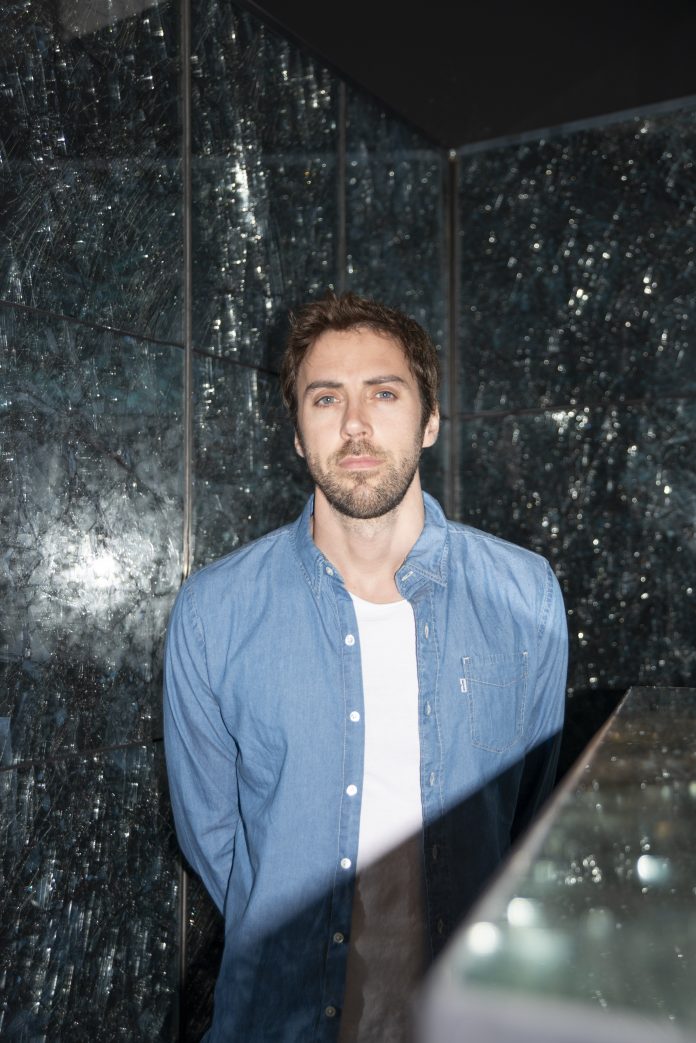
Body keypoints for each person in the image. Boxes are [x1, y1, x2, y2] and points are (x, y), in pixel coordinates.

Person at [163, 291, 568, 1042]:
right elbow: (213, 837)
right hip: (279, 1021)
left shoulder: (525, 596)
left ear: (430, 419)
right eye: (326, 398)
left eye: (383, 393)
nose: (355, 424)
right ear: (297, 433)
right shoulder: (215, 611)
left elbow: (531, 815)